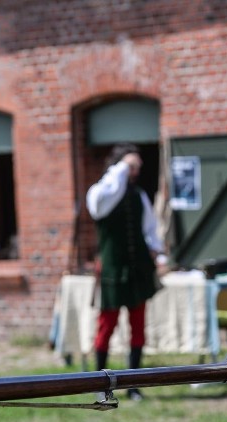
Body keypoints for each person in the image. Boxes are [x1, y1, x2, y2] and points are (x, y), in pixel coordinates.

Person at [86, 143, 164, 400]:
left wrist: (155, 250)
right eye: (131, 166)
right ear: (118, 166)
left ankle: (133, 384)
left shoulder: (139, 195)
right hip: (112, 267)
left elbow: (150, 229)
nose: (134, 172)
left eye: (137, 167)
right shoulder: (101, 193)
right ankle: (100, 383)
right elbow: (98, 206)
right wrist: (119, 170)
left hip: (137, 268)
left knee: (138, 327)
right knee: (106, 327)